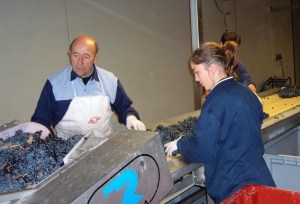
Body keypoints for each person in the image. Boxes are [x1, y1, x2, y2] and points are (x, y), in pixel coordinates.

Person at [164, 42, 276, 203]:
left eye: (197, 72)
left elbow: (201, 149)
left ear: (213, 68)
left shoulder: (215, 101)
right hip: (260, 182)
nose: (196, 79)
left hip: (235, 190)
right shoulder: (247, 93)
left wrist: (182, 143)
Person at [31, 35, 146, 140]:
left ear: (96, 58)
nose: (80, 62)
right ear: (69, 54)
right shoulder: (54, 83)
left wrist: (131, 118)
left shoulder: (110, 80)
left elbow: (124, 108)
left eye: (86, 56)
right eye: (75, 55)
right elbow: (41, 121)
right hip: (67, 155)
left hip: (104, 149)